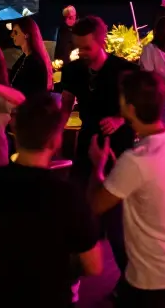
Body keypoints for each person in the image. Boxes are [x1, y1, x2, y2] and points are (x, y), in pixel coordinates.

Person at [0, 94, 102, 308]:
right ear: (55, 140)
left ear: (14, 129)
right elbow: (94, 266)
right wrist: (98, 170)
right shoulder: (67, 196)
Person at [89, 71, 165, 307]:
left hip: (151, 279)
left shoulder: (135, 160)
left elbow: (95, 205)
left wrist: (98, 168)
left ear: (130, 109)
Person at [60, 16, 140, 280]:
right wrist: (54, 137)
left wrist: (119, 119)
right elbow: (66, 104)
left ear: (101, 42)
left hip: (118, 148)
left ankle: (129, 280)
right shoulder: (73, 71)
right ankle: (70, 280)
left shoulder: (123, 71)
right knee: (77, 210)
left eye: (86, 48)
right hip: (87, 144)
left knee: (116, 219)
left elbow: (139, 108)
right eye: (77, 47)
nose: (81, 53)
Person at [10, 15, 54, 98]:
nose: (12, 35)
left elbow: (29, 91)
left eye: (16, 32)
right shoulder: (24, 57)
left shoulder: (34, 62)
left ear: (26, 34)